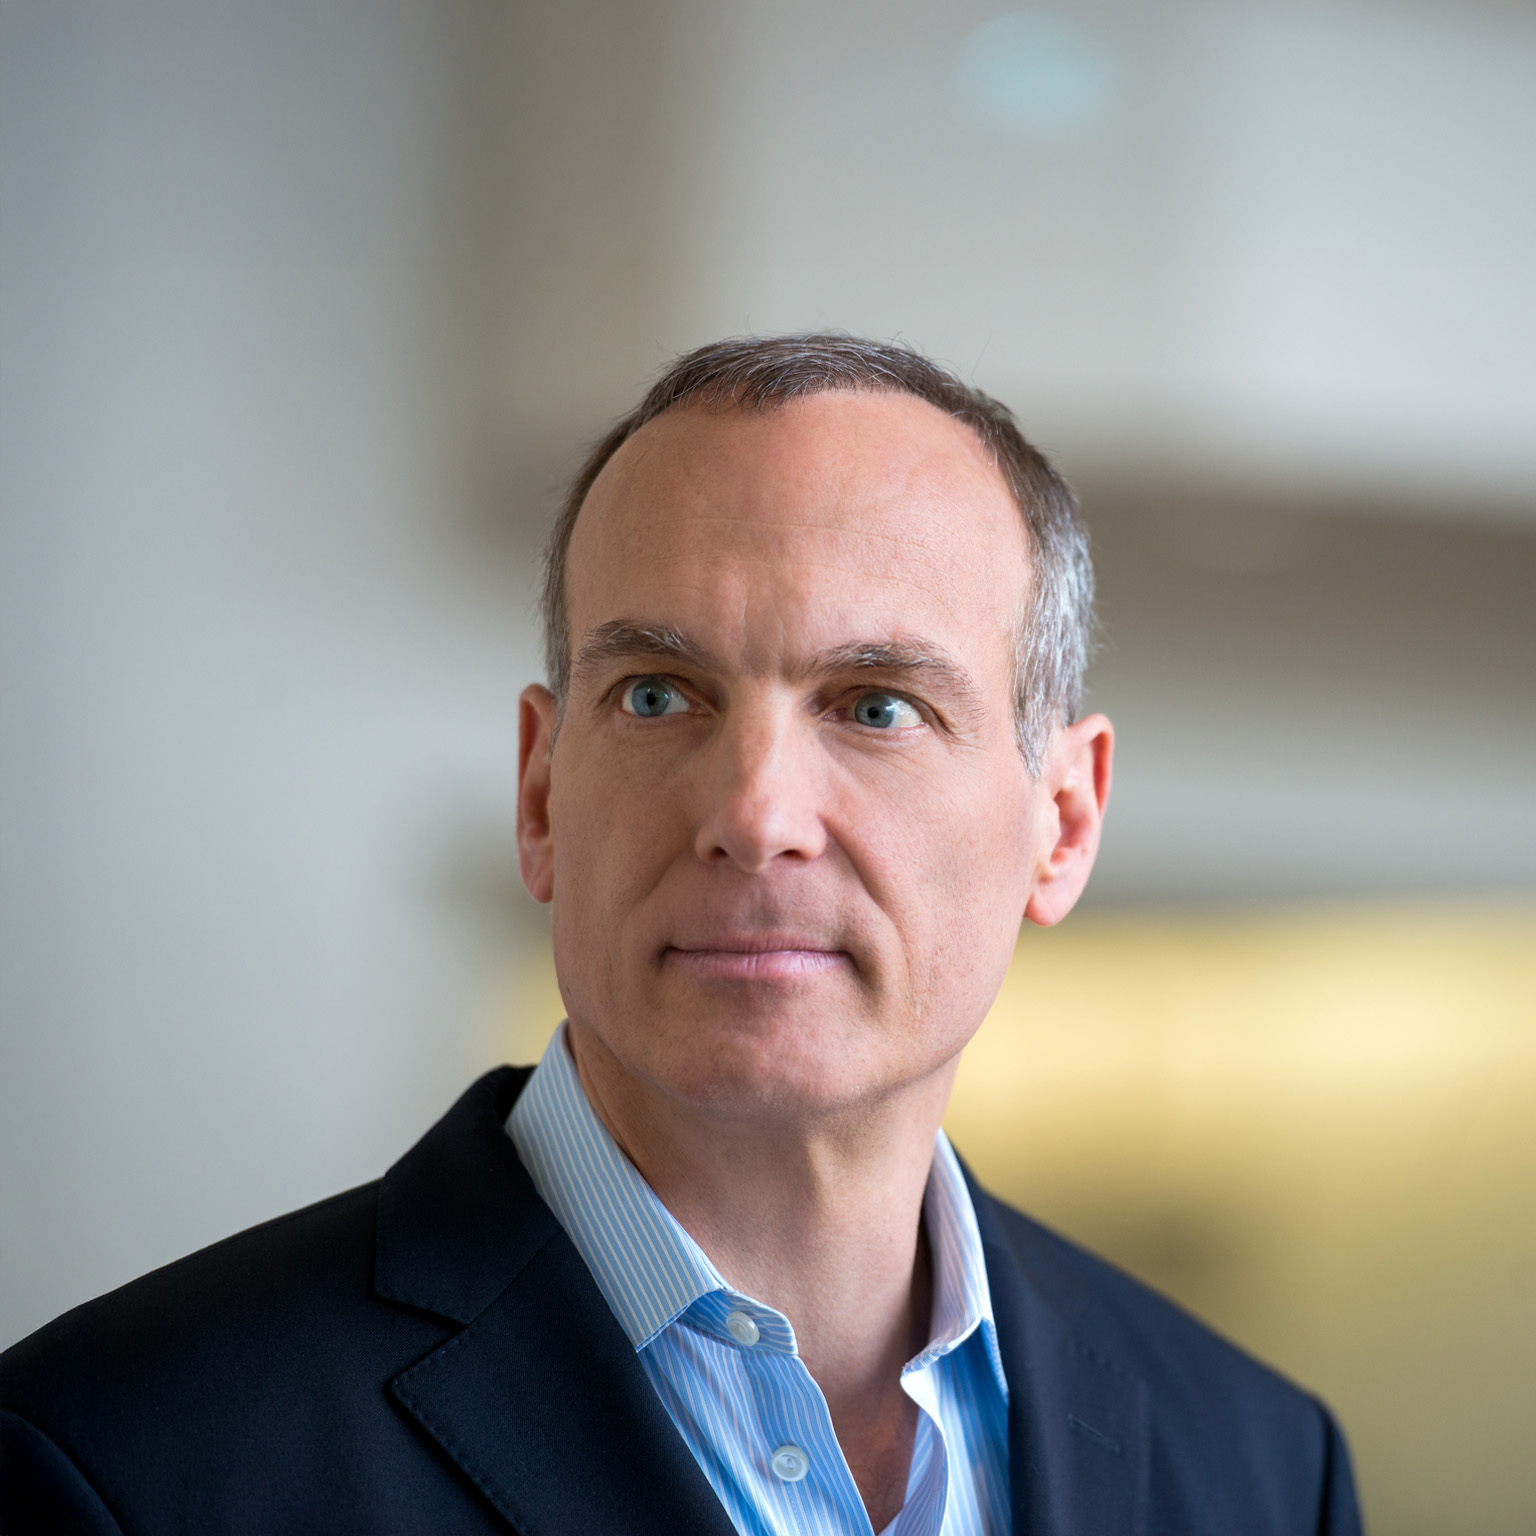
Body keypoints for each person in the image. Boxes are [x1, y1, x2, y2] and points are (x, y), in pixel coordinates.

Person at [0, 335, 1362, 1535]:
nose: (754, 816)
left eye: (877, 707)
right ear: (541, 795)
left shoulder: (1262, 1466)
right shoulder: (114, 1465)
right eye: (658, 695)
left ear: (1061, 824)